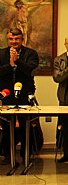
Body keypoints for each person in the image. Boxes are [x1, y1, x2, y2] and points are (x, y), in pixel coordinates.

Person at [0, 29, 39, 164]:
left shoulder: (31, 53)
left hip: (25, 94)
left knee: (25, 127)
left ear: (22, 40)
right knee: (6, 128)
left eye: (16, 39)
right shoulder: (1, 53)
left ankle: (25, 154)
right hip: (6, 94)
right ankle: (8, 156)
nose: (14, 42)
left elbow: (30, 69)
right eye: (11, 39)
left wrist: (17, 61)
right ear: (7, 39)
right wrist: (10, 65)